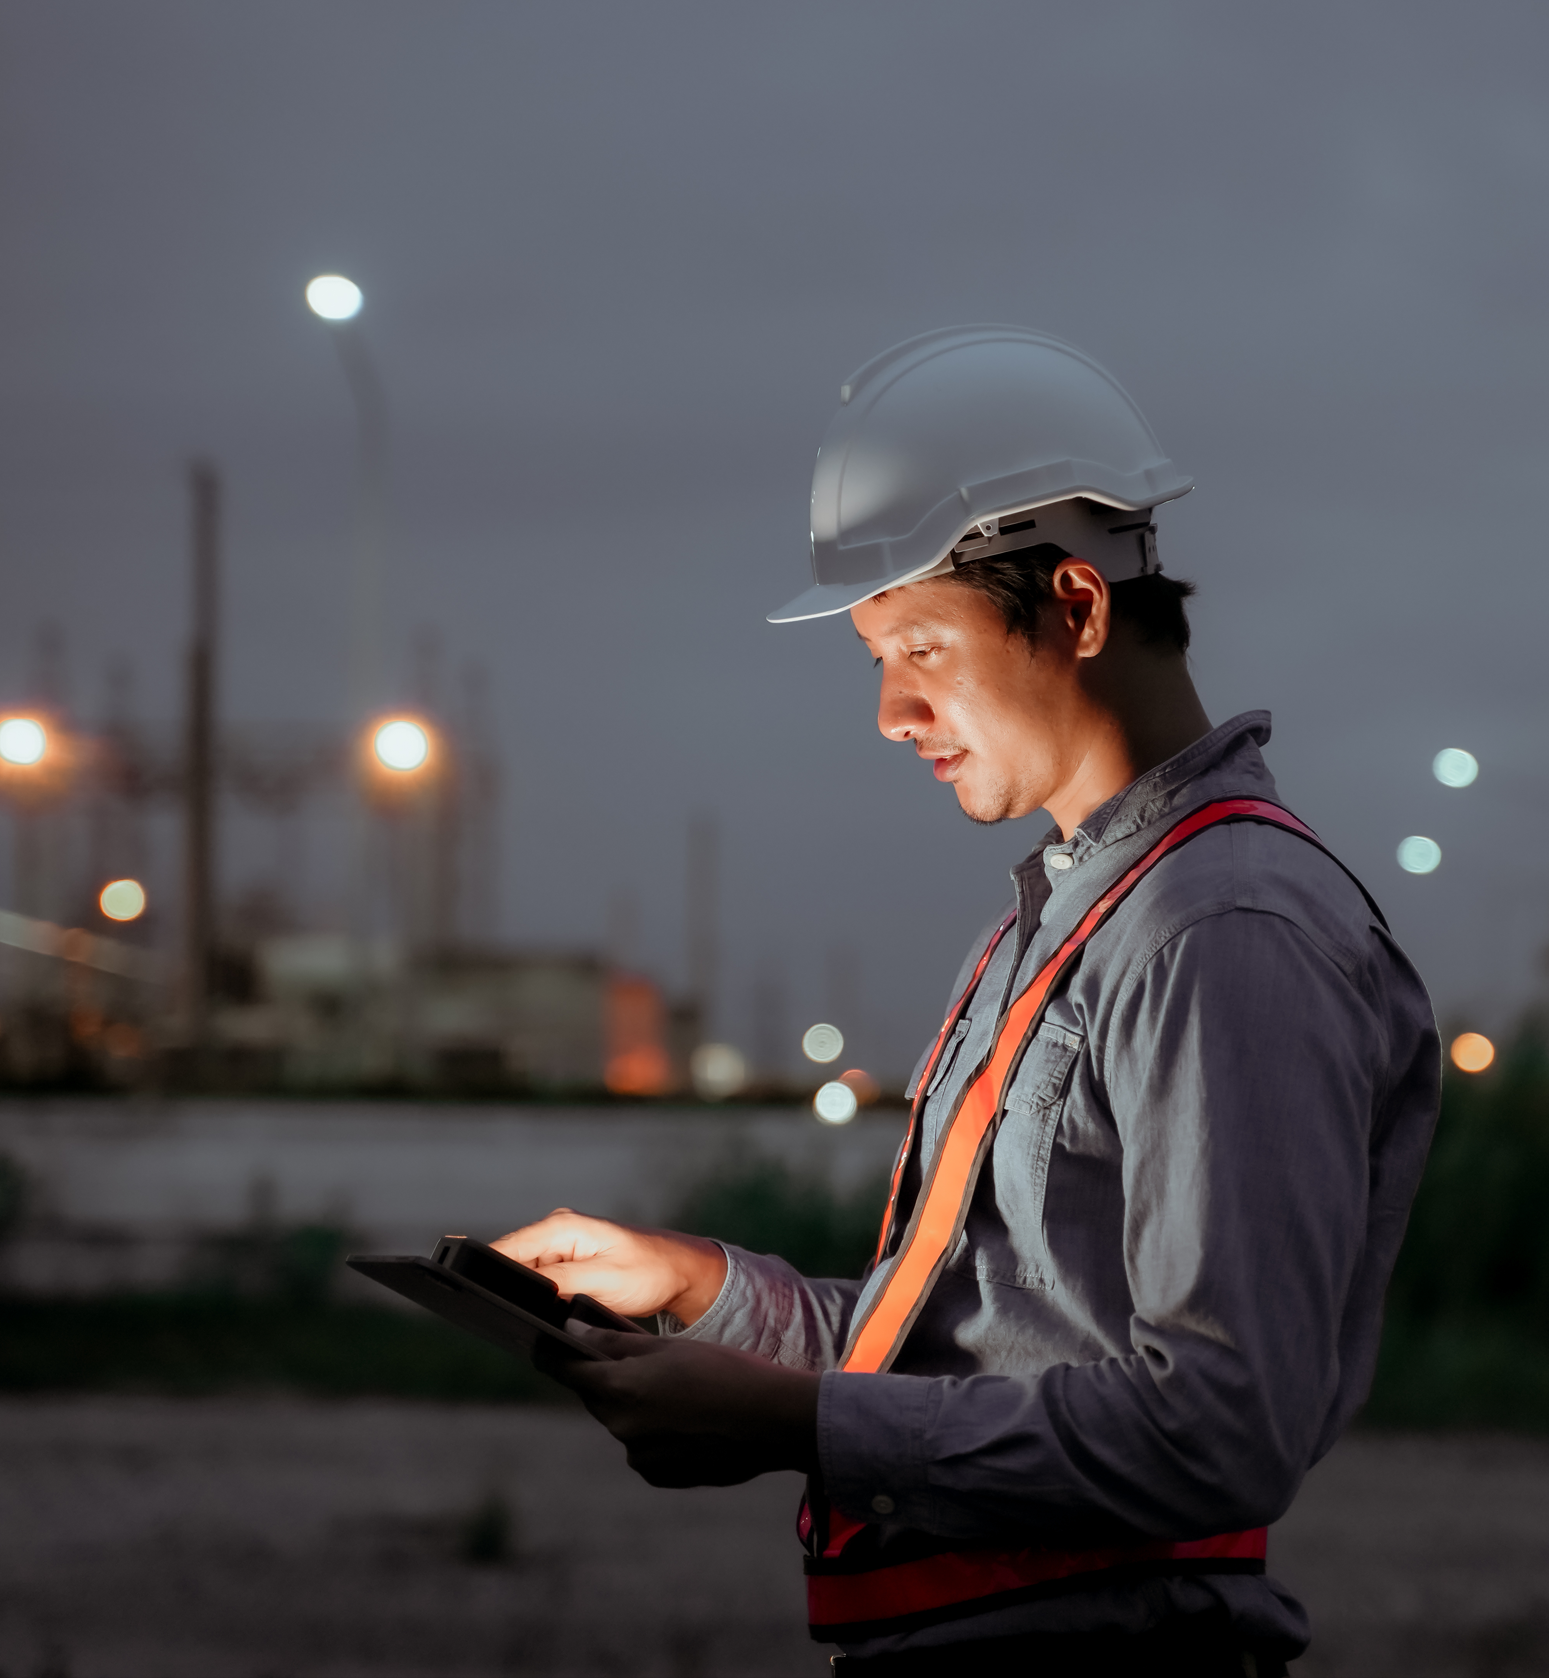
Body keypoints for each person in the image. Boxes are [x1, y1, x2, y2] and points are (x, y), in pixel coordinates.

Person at [495, 327, 1441, 1676]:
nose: (892, 711)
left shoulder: (1222, 930)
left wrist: (793, 1426)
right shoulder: (1068, 920)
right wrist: (704, 1292)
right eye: (876, 658)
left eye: (922, 646)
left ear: (1078, 605)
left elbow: (1223, 1429)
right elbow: (979, 1351)